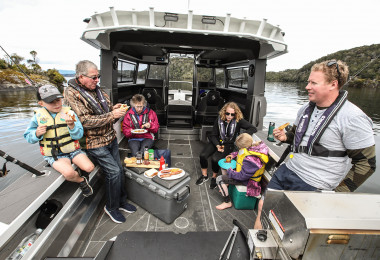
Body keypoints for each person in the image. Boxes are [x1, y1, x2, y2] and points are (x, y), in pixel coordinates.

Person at [254, 60, 376, 229]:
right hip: (287, 170)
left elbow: (366, 164)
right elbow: (297, 136)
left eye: (313, 83)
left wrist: (339, 194)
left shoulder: (353, 118)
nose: (307, 87)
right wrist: (285, 137)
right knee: (262, 206)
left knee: (289, 228)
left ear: (333, 84)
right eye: (308, 82)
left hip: (314, 185)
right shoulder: (305, 109)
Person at [64, 60, 136, 224]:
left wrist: (114, 108)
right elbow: (84, 121)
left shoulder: (97, 89)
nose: (97, 80)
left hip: (110, 138)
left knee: (119, 169)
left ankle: (121, 201)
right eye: (94, 77)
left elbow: (106, 109)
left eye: (98, 77)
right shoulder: (71, 94)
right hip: (94, 143)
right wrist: (112, 115)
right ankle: (111, 207)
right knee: (113, 173)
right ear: (81, 77)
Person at [24, 84, 94, 197]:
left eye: (58, 100)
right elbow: (28, 137)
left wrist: (72, 126)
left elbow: (79, 134)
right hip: (55, 154)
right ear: (41, 103)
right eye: (51, 102)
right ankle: (81, 181)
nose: (57, 104)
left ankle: (82, 173)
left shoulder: (69, 112)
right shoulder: (37, 117)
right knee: (69, 173)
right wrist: (36, 134)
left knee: (90, 167)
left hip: (73, 150)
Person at [196, 102, 257, 189]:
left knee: (215, 159)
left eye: (232, 114)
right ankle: (204, 176)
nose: (229, 116)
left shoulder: (238, 120)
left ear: (236, 114)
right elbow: (213, 135)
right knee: (203, 155)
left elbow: (253, 128)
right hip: (217, 141)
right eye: (227, 113)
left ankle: (214, 177)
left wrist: (242, 136)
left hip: (228, 145)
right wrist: (217, 145)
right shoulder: (219, 119)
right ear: (224, 112)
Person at [215, 133, 269, 210]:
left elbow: (242, 176)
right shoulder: (252, 146)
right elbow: (242, 152)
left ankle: (227, 202)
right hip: (244, 174)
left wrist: (230, 171)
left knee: (219, 180)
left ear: (244, 146)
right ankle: (226, 185)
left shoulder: (252, 159)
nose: (238, 148)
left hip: (249, 181)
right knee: (224, 166)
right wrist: (233, 155)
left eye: (239, 147)